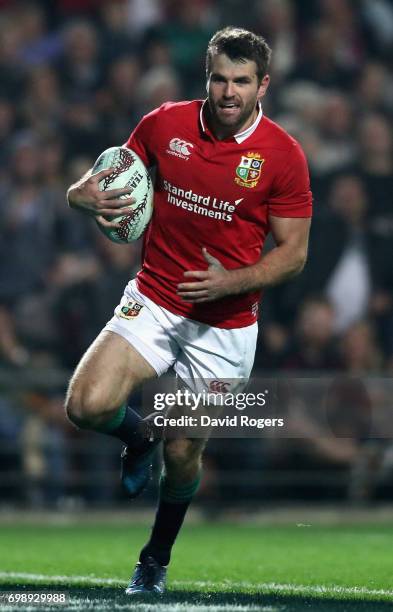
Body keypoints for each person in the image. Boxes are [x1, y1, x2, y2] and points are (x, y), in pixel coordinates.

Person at [65, 27, 312, 595]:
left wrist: (234, 280)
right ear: (207, 77)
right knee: (85, 405)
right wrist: (78, 193)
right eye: (220, 79)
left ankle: (155, 557)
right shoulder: (164, 123)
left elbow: (294, 256)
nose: (229, 92)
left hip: (225, 326)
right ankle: (137, 436)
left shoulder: (283, 156)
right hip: (155, 295)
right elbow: (106, 172)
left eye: (242, 82)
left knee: (184, 452)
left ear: (263, 85)